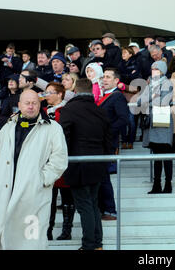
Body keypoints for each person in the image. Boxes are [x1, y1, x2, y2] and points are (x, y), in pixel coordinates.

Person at [0, 89, 68, 249]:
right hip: (5, 193)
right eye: (27, 103)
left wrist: (41, 179)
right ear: (19, 105)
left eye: (34, 103)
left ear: (40, 105)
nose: (30, 106)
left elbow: (59, 160)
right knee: (1, 238)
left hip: (33, 196)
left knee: (31, 241)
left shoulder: (52, 128)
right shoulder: (8, 126)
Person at [60, 78, 112, 250]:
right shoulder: (100, 110)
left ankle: (89, 244)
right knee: (93, 204)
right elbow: (108, 140)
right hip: (97, 163)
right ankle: (97, 244)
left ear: (75, 90)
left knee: (85, 206)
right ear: (91, 91)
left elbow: (63, 139)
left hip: (78, 164)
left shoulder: (69, 109)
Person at [42, 82, 74, 241]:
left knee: (67, 195)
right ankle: (47, 229)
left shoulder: (67, 110)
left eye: (49, 92)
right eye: (45, 92)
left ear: (60, 94)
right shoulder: (42, 111)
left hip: (63, 158)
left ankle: (66, 230)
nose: (46, 95)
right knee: (48, 197)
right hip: (45, 160)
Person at [136, 61, 174, 194]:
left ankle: (168, 184)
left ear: (163, 70)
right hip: (152, 120)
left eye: (157, 69)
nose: (154, 71)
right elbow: (139, 101)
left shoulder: (167, 83)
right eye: (152, 69)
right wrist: (152, 97)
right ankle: (157, 184)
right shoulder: (150, 84)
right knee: (156, 155)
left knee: (166, 154)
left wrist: (150, 98)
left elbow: (163, 101)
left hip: (162, 119)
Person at [98, 68, 128, 220]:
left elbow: (123, 119)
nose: (104, 79)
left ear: (116, 80)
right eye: (103, 77)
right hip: (101, 141)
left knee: (103, 177)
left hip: (107, 141)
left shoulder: (117, 97)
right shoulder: (105, 96)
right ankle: (105, 208)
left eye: (108, 77)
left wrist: (108, 132)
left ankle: (109, 210)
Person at [0, 74, 21, 150]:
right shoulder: (2, 96)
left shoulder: (22, 97)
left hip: (12, 130)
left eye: (13, 80)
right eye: (9, 80)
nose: (10, 82)